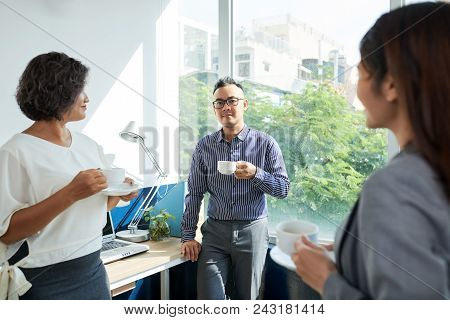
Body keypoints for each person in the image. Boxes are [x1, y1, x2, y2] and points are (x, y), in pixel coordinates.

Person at [292, 2, 449, 299]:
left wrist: (327, 281)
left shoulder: (397, 186)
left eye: (361, 72)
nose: (357, 89)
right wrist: (360, 250)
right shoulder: (433, 171)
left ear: (390, 85)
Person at [0, 52, 137, 299]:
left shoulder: (89, 145)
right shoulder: (15, 151)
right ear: (59, 92)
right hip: (45, 280)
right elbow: (8, 233)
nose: (87, 98)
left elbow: (97, 208)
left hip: (92, 270)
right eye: (80, 90)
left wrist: (120, 194)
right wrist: (71, 193)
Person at [181, 77, 290, 299]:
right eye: (219, 103)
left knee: (246, 301)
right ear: (214, 108)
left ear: (244, 104)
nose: (225, 107)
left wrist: (256, 174)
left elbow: (283, 189)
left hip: (252, 232)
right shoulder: (204, 146)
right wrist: (187, 237)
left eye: (232, 100)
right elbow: (194, 193)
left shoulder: (266, 143)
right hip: (214, 235)